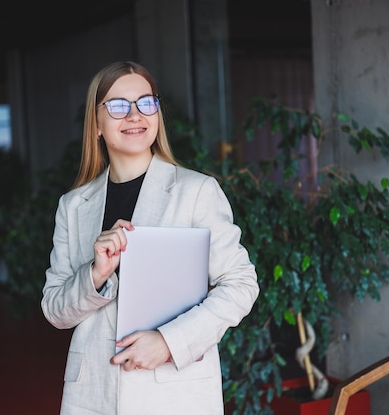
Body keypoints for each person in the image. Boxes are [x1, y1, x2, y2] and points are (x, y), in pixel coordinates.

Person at [41, 60, 259, 415]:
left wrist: (169, 342)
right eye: (117, 106)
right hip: (94, 393)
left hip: (173, 392)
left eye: (146, 103)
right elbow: (55, 310)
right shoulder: (73, 206)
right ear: (96, 124)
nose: (134, 115)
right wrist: (94, 275)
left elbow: (241, 284)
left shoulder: (197, 191)